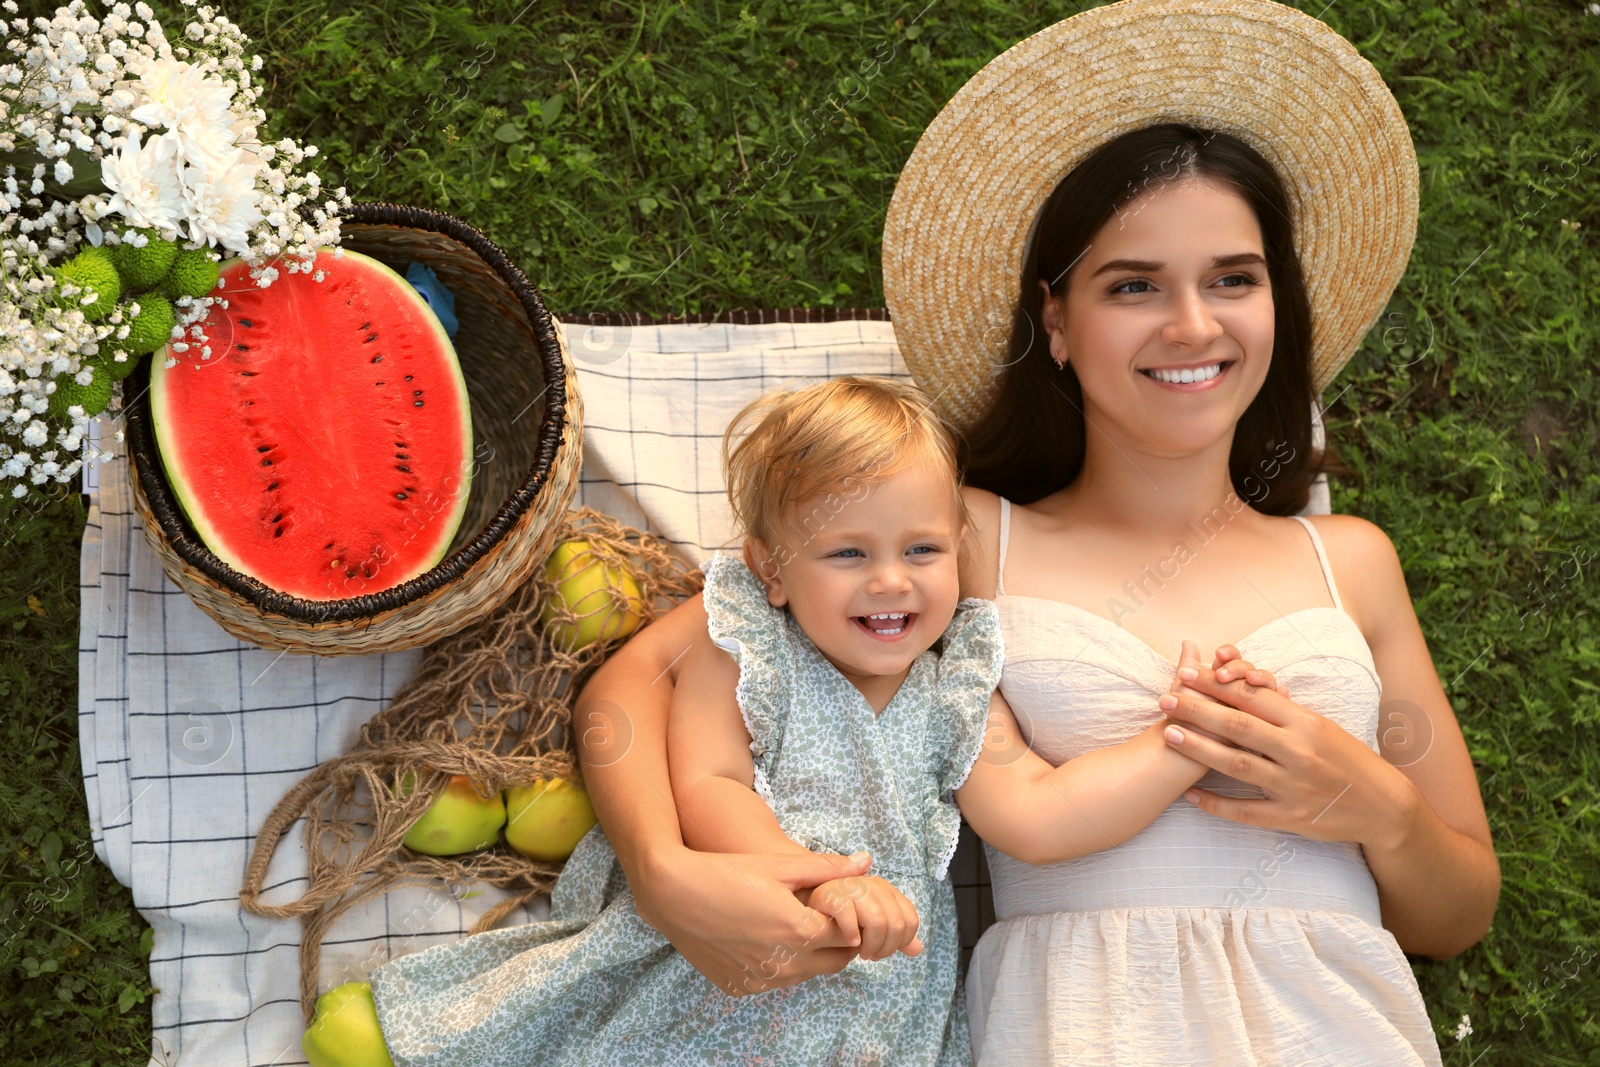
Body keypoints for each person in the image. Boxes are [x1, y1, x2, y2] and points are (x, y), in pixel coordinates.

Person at [572, 2, 1500, 1064]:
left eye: (1232, 279)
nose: (1192, 325)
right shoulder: (955, 536)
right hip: (1090, 1024)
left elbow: (1456, 911)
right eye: (1132, 285)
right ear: (1055, 324)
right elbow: (643, 680)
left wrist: (1372, 802)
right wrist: (663, 868)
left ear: (1274, 305)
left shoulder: (1350, 564)